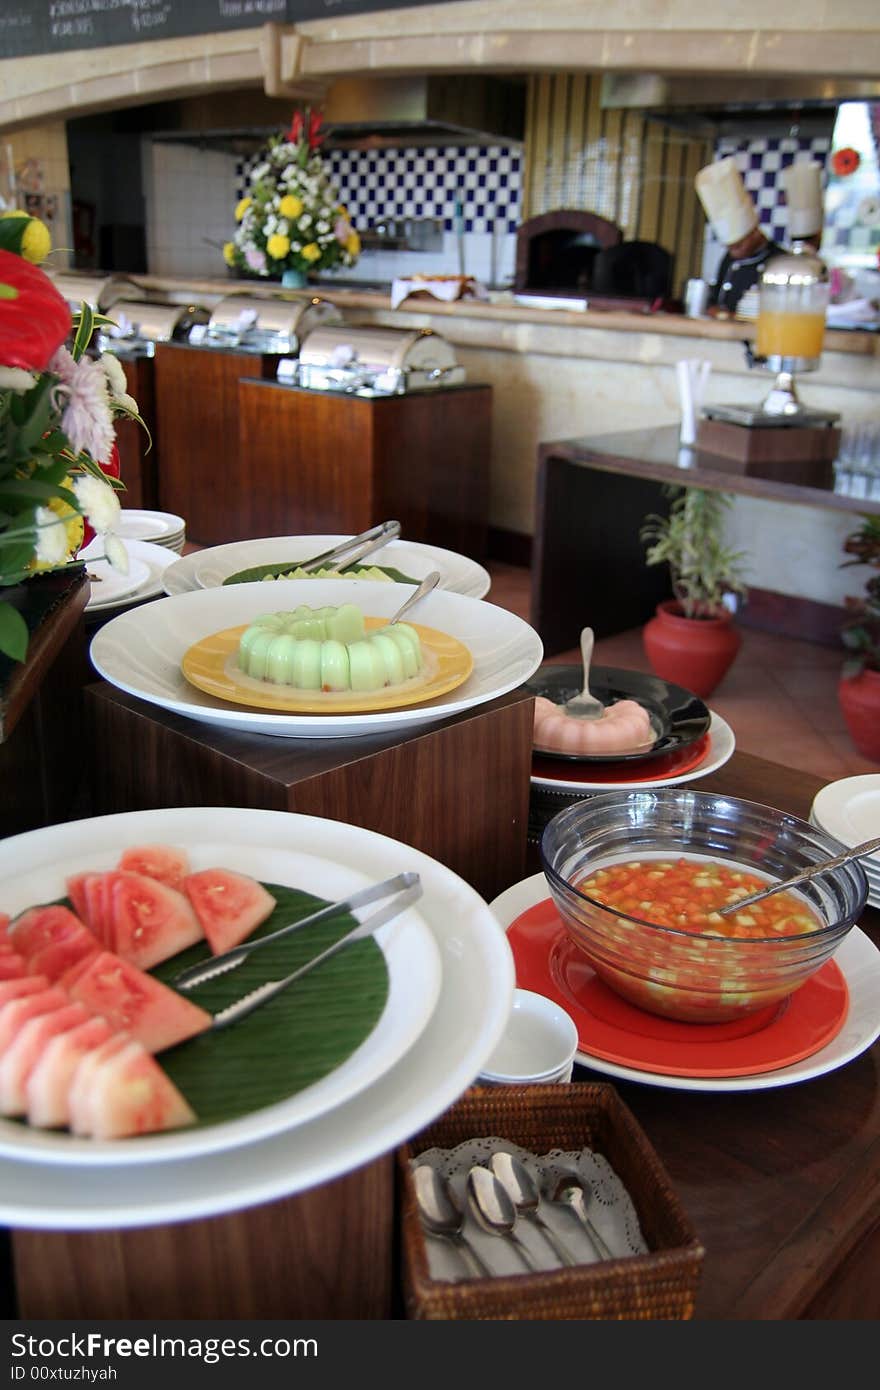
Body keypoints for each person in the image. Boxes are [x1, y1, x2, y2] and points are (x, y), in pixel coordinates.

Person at [695, 155, 782, 315]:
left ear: (755, 232)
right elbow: (714, 301)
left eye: (738, 245)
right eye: (729, 247)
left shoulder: (780, 262)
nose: (734, 253)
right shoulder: (729, 259)